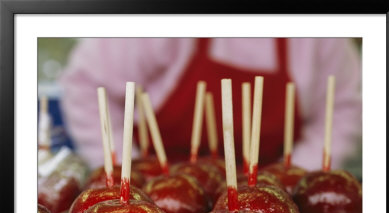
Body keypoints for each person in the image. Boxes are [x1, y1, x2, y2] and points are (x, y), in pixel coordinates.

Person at [58, 38, 362, 173]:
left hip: (271, 202)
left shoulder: (320, 34)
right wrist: (126, 173)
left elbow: (343, 107)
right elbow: (88, 82)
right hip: (156, 191)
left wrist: (295, 178)